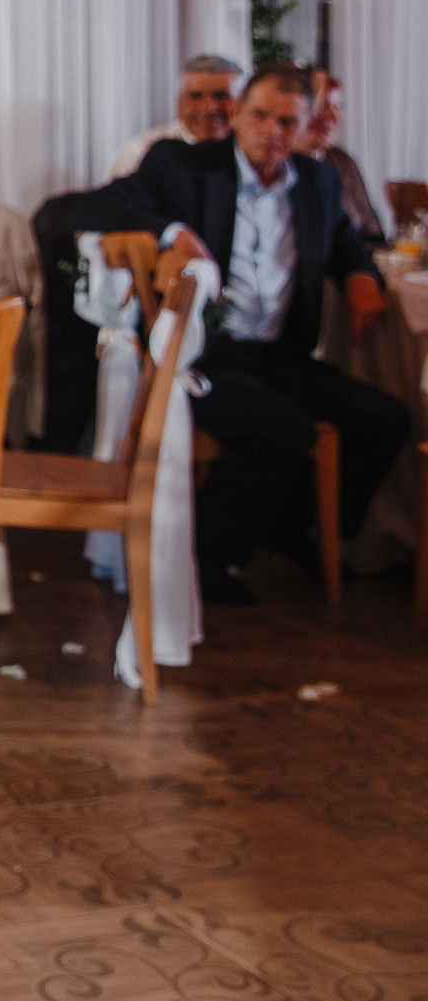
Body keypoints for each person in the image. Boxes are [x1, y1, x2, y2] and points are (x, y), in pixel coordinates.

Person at [75, 62, 407, 606]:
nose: (272, 132)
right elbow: (89, 206)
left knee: (384, 419)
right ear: (238, 114)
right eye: (259, 116)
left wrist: (361, 274)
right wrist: (173, 230)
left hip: (278, 354)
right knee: (283, 429)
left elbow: (346, 237)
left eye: (287, 122)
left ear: (303, 127)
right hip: (200, 356)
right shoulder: (184, 166)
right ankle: (204, 561)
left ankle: (285, 525)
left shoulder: (317, 180)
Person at [105, 53, 240, 180]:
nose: (209, 108)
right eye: (196, 96)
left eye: (222, 96)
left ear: (242, 103)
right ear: (179, 103)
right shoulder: (138, 154)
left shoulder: (252, 155)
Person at [299, 68, 387, 244]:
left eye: (338, 106)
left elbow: (372, 229)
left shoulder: (342, 161)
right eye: (323, 106)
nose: (332, 116)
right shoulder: (283, 166)